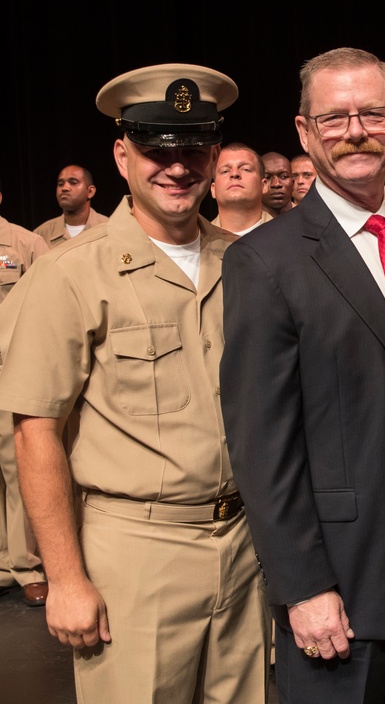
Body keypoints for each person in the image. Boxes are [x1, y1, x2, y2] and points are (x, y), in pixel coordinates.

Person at [0, 64, 270, 702]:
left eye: (194, 148)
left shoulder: (247, 264)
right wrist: (64, 578)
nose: (177, 166)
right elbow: (36, 430)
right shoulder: (68, 274)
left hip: (245, 546)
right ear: (121, 157)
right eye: (155, 149)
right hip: (135, 553)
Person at [219, 47, 385, 704]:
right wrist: (303, 586)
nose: (355, 131)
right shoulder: (264, 261)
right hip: (340, 586)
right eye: (333, 119)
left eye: (372, 114)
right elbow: (261, 446)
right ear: (304, 132)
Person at [0, 177, 50, 607]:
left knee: (18, 470)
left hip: (8, 371)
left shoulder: (25, 243)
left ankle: (26, 565)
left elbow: (48, 308)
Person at [33, 165, 109, 248]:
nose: (64, 188)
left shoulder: (109, 229)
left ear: (90, 191)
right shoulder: (42, 234)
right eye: (60, 184)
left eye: (73, 182)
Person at [210, 142, 273, 235]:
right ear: (213, 189)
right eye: (225, 171)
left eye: (246, 169)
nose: (234, 174)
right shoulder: (198, 244)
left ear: (263, 185)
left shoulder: (288, 237)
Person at [262, 151, 294, 217]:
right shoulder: (246, 223)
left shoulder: (310, 218)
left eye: (284, 176)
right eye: (267, 177)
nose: (276, 184)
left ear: (293, 182)